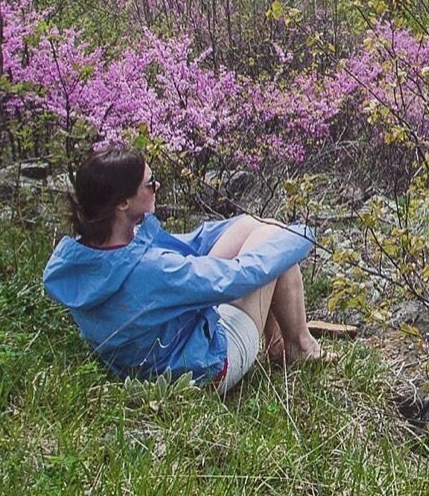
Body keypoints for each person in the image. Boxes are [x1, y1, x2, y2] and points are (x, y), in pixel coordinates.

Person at [43, 142, 324, 393]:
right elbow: (239, 277)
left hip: (146, 358)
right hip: (203, 367)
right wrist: (300, 235)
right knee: (274, 240)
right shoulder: (152, 270)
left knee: (254, 227)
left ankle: (279, 344)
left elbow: (187, 244)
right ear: (123, 202)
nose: (158, 187)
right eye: (150, 184)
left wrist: (252, 229)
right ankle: (300, 346)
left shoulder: (81, 255)